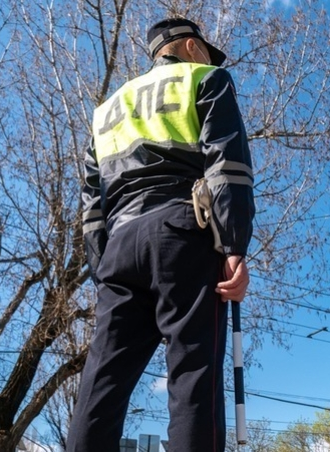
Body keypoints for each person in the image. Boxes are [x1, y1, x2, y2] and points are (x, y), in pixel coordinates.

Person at [67, 17, 255, 452]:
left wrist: (103, 269)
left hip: (119, 248)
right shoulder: (207, 78)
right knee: (193, 375)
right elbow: (228, 167)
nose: (210, 57)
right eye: (207, 49)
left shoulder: (105, 112)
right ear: (190, 47)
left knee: (101, 384)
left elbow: (91, 208)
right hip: (181, 232)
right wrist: (234, 246)